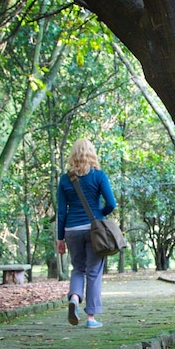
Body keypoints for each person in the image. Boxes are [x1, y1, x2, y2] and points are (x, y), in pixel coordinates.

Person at [56, 138, 117, 328]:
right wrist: (99, 216)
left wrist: (60, 238)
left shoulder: (65, 179)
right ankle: (91, 318)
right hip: (93, 230)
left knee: (78, 269)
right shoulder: (98, 176)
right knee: (93, 272)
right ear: (92, 153)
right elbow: (111, 204)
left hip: (71, 230)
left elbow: (61, 211)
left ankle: (74, 297)